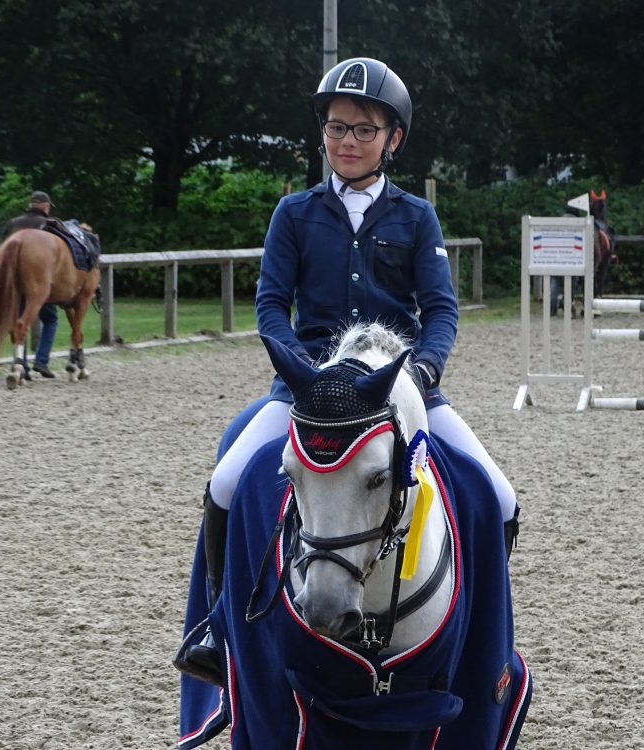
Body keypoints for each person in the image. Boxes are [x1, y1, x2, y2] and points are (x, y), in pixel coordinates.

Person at [176, 57, 520, 683]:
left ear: (393, 139)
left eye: (364, 129)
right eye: (337, 127)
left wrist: (425, 371)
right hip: (308, 390)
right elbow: (272, 306)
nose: (348, 141)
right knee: (227, 482)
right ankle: (218, 629)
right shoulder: (295, 213)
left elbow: (439, 308)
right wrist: (305, 371)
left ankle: (484, 639)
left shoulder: (416, 217)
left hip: (400, 390)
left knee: (497, 496)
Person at [2, 190, 59, 378]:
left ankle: (22, 363)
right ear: (45, 206)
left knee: (20, 316)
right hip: (40, 283)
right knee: (50, 318)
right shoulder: (49, 225)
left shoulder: (12, 224)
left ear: (30, 205)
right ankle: (41, 361)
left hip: (15, 283)